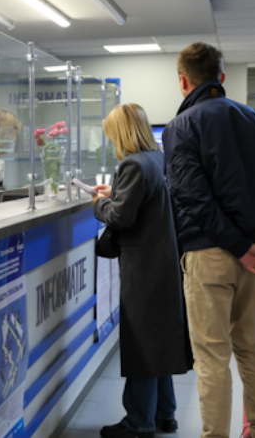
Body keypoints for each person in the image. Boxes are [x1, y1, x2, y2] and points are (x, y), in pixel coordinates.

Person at [163, 42, 255, 438]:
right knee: (253, 350)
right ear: (221, 77)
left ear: (183, 81)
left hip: (210, 256)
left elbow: (192, 196)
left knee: (212, 358)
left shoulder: (181, 127)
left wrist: (239, 247)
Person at [93, 103, 192, 438]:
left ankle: (139, 421)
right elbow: (144, 201)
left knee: (141, 343)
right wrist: (117, 194)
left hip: (143, 269)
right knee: (158, 342)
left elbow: (120, 217)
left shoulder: (132, 163)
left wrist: (99, 203)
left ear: (121, 133)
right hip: (163, 265)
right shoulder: (156, 159)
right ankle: (165, 414)